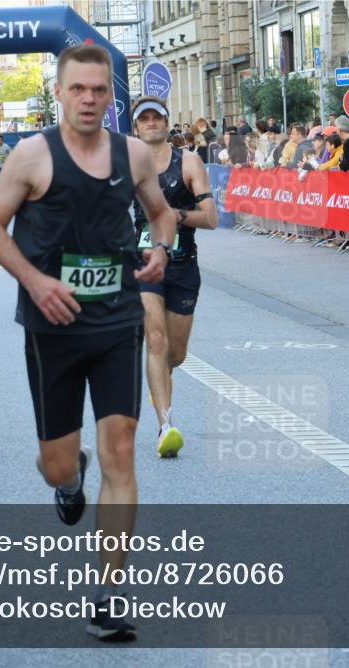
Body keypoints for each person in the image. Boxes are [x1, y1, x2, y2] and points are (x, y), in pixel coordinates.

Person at [0, 44, 174, 642]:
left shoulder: (133, 154)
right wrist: (35, 282)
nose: (89, 99)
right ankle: (69, 478)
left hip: (117, 320)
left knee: (123, 447)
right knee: (57, 463)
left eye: (99, 90)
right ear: (59, 93)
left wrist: (162, 248)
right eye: (78, 89)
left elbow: (162, 213)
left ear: (109, 97)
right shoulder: (32, 157)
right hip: (52, 327)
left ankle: (110, 592)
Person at [131, 96, 218, 458]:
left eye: (157, 118)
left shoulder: (189, 162)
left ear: (167, 124)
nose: (151, 123)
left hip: (183, 266)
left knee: (175, 355)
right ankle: (165, 426)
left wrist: (173, 215)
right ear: (136, 128)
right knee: (155, 340)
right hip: (143, 263)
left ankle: (160, 383)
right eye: (144, 119)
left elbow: (210, 217)